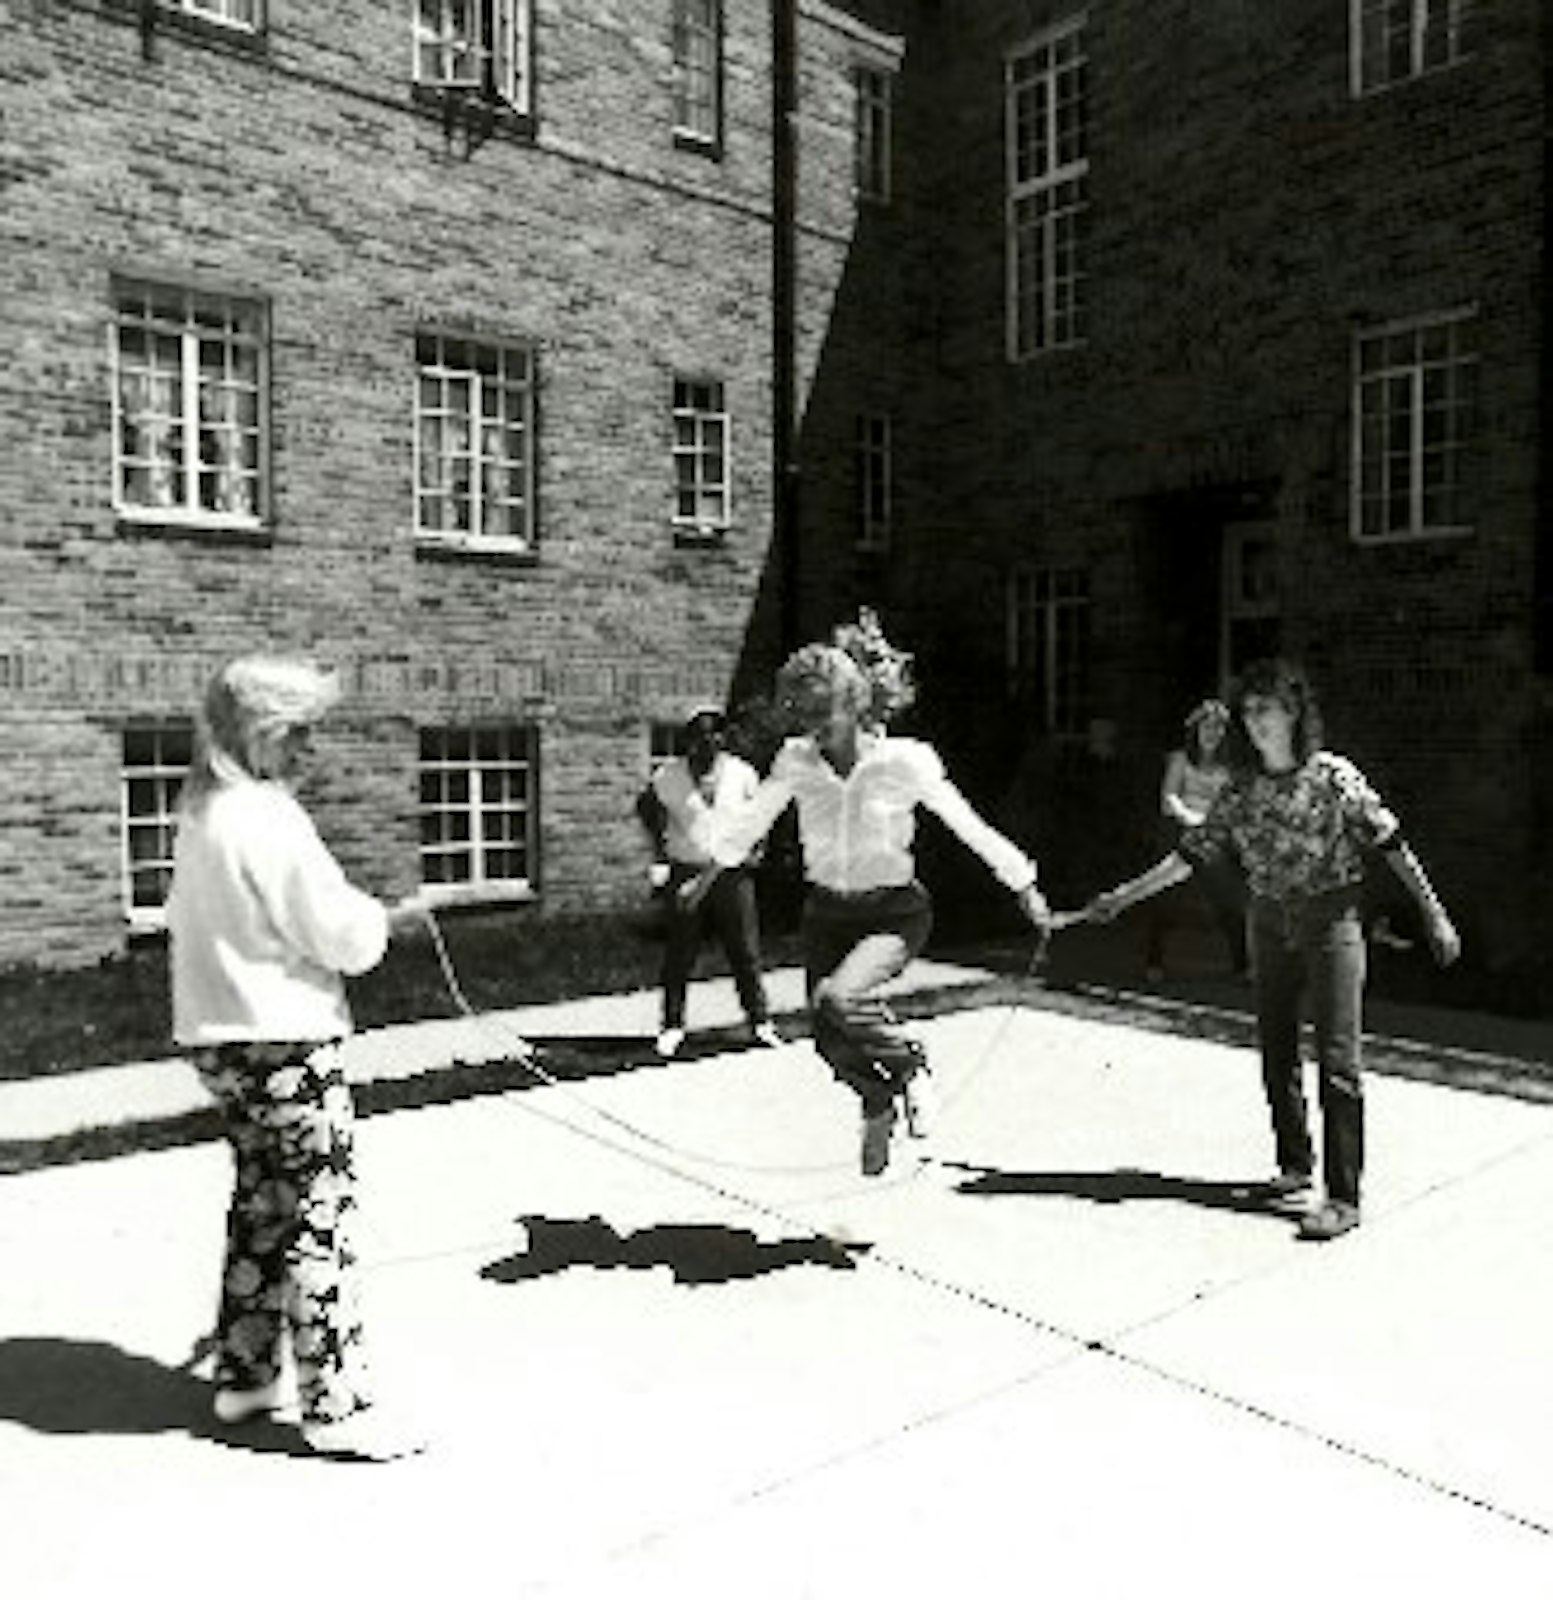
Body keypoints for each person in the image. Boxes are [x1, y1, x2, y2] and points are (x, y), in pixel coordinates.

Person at [1085, 657, 1461, 1241]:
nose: (1257, 720)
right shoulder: (1241, 789)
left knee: (1338, 1059)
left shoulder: (1333, 776)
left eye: (1269, 708)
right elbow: (1190, 855)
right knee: (1276, 1050)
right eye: (1251, 710)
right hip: (1268, 923)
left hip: (1332, 920)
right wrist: (1122, 898)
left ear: (1295, 714)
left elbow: (1392, 843)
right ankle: (1294, 1166)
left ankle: (1343, 1196)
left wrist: (1434, 913)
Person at [166, 655, 429, 1461]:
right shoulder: (269, 818)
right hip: (287, 1039)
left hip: (218, 1039)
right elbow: (337, 934)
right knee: (320, 1209)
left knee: (260, 1205)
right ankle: (336, 1403)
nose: (311, 751)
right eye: (302, 734)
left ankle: (246, 1375)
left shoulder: (200, 814)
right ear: (266, 734)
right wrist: (387, 921)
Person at [684, 612, 1050, 1176]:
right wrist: (706, 877)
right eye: (803, 716)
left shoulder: (904, 762)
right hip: (827, 913)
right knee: (828, 1040)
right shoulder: (796, 761)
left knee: (840, 1000)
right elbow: (750, 823)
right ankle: (876, 1103)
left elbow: (966, 822)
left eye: (822, 714)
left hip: (894, 913)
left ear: (856, 703)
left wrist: (1022, 884)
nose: (813, 728)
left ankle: (910, 1067)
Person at [635, 706, 782, 1060]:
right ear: (688, 741)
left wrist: (757, 850)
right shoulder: (667, 777)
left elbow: (759, 817)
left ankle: (759, 1021)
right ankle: (672, 1027)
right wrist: (661, 853)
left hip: (732, 876)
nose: (706, 743)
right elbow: (649, 812)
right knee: (679, 954)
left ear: (724, 739)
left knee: (744, 951)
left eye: (714, 735)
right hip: (686, 870)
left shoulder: (742, 774)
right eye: (698, 736)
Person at [1144, 698, 1246, 980]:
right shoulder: (1180, 760)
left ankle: (1243, 965)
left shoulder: (1231, 767)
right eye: (1206, 728)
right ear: (1196, 731)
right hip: (1181, 832)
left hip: (1214, 837)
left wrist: (1213, 824)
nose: (1211, 734)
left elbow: (1232, 805)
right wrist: (1189, 817)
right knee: (1166, 896)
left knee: (1229, 899)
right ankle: (1154, 962)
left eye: (1218, 728)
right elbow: (1168, 800)